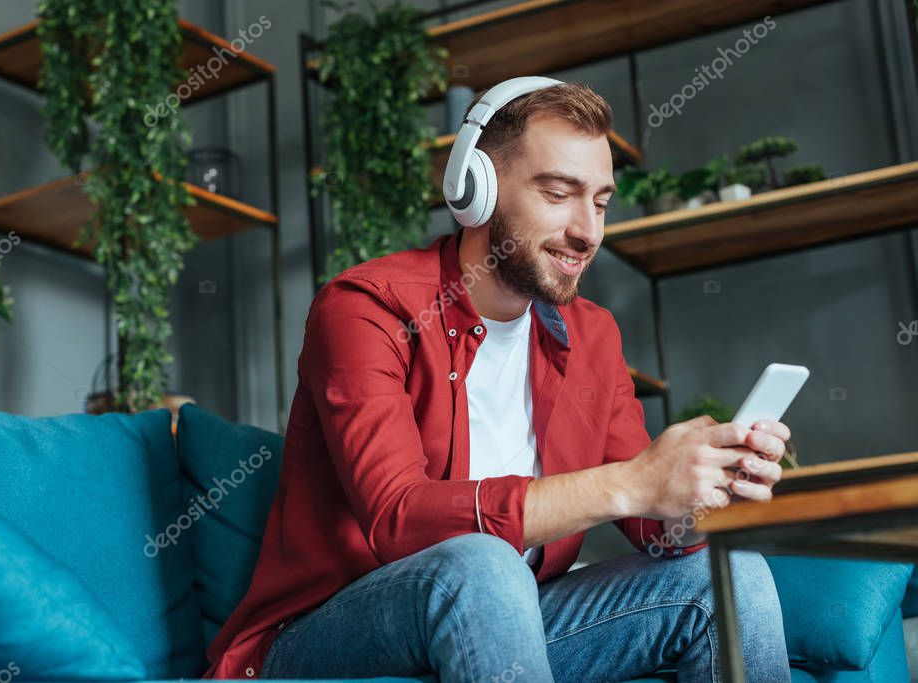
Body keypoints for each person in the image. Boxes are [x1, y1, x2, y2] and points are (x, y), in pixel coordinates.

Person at [205, 79, 791, 682]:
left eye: (601, 202)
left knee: (730, 578)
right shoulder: (367, 308)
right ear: (476, 189)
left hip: (508, 613)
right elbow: (397, 518)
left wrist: (701, 496)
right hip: (326, 634)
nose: (588, 231)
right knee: (484, 565)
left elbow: (652, 527)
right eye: (559, 193)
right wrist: (628, 483)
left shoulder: (592, 334)